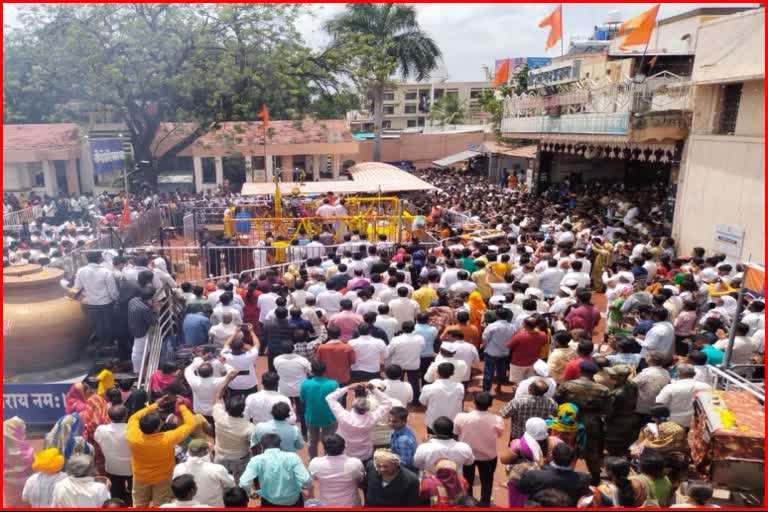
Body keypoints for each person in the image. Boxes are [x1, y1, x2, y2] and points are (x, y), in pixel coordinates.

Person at [126, 395, 196, 507]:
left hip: (140, 476)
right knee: (161, 505)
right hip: (163, 477)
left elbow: (133, 418)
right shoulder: (167, 438)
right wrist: (182, 406)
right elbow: (191, 424)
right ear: (157, 428)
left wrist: (155, 405)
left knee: (139, 504)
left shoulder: (133, 435)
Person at [554, 361, 611, 485]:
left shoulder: (566, 385)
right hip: (592, 424)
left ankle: (560, 479)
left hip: (568, 422)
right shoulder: (604, 390)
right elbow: (608, 410)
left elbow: (556, 401)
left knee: (564, 449)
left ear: (580, 370)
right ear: (595, 373)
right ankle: (595, 480)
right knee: (592, 454)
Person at [453, 392, 504, 506]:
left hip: (467, 455)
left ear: (474, 402)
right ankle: (485, 504)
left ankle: (468, 504)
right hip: (488, 456)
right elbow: (500, 435)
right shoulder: (497, 420)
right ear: (490, 404)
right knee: (487, 482)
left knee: (467, 482)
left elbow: (456, 432)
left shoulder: (461, 417)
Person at [502, 417, 564, 506]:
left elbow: (504, 460)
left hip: (524, 483)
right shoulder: (556, 442)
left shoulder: (518, 445)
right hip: (546, 483)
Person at [239, 433, 312, 507]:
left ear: (262, 446)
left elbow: (243, 482)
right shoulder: (293, 457)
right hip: (293, 501)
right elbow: (306, 480)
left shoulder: (256, 460)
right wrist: (302, 486)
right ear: (280, 444)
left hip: (269, 502)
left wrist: (250, 492)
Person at [325, 383, 392, 463]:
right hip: (366, 454)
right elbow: (387, 402)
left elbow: (330, 398)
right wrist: (373, 388)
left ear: (353, 406)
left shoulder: (344, 417)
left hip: (347, 454)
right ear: (368, 408)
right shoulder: (373, 418)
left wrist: (348, 387)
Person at [211, 371, 256, 482]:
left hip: (221, 456)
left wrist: (227, 379)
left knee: (221, 482)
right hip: (240, 458)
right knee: (241, 483)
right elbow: (253, 445)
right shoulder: (249, 427)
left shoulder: (219, 415)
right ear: (243, 410)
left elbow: (217, 396)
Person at [516, 443, 591, 507]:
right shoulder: (584, 479)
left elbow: (521, 488)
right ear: (573, 460)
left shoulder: (534, 475)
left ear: (552, 456)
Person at [74, 251, 119, 348]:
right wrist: (116, 299)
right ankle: (109, 343)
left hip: (91, 302)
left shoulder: (81, 271)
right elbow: (113, 291)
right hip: (106, 303)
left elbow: (77, 287)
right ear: (100, 259)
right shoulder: (106, 272)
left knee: (97, 323)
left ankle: (101, 343)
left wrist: (84, 298)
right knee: (108, 323)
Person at [172, 439, 235, 507]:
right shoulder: (217, 469)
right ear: (207, 451)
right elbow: (230, 484)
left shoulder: (178, 468)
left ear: (189, 452)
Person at [307, 434, 365, 508]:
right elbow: (361, 479)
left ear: (325, 448)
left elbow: (311, 480)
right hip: (351, 505)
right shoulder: (355, 463)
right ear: (344, 447)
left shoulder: (316, 463)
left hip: (326, 505)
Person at [300, 360, 340, 459]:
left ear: (312, 371)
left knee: (312, 441)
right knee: (329, 441)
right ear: (325, 370)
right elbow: (339, 399)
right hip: (329, 417)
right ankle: (327, 458)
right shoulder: (333, 384)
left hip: (311, 417)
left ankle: (312, 460)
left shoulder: (305, 383)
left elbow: (302, 399)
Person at [94, 405, 133, 505]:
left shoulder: (101, 430)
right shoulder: (132, 430)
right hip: (131, 468)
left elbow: (96, 439)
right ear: (125, 416)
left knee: (116, 493)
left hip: (112, 467)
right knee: (133, 493)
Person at [655, 363, 711, 428]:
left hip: (674, 423)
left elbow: (659, 403)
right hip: (696, 424)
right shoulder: (706, 387)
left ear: (678, 373)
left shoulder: (670, 387)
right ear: (694, 374)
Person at [578, 456, 648, 508]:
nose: (603, 468)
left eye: (605, 467)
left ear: (610, 472)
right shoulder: (639, 485)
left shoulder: (602, 489)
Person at [603, 366, 639, 457]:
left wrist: (604, 420)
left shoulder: (617, 394)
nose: (610, 375)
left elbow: (609, 412)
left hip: (617, 424)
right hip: (631, 419)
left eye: (612, 374)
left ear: (620, 377)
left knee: (614, 449)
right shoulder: (632, 384)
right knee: (625, 446)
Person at [420, 363, 465, 433]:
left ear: (437, 373)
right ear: (452, 373)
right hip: (453, 421)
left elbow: (423, 402)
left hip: (433, 422)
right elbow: (460, 400)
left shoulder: (428, 388)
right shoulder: (460, 387)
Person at [387, 321, 425, 403]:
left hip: (398, 365)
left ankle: (397, 398)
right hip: (413, 365)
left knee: (396, 382)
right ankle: (415, 400)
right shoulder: (420, 338)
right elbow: (422, 349)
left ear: (402, 329)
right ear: (413, 329)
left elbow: (389, 352)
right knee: (414, 383)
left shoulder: (396, 339)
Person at [481, 307, 515, 393]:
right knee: (502, 371)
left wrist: (486, 347)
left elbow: (485, 338)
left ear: (497, 315)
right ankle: (499, 387)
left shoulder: (492, 326)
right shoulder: (512, 327)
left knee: (489, 372)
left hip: (491, 352)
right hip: (505, 352)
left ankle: (486, 391)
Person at [507, 317, 548, 385]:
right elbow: (544, 343)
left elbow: (509, 345)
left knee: (517, 384)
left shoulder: (519, 336)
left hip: (518, 363)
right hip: (533, 363)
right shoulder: (543, 335)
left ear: (525, 325)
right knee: (529, 384)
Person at [128, 289, 158, 374]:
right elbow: (153, 321)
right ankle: (138, 371)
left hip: (133, 329)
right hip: (142, 332)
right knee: (139, 352)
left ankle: (138, 369)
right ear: (150, 298)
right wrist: (155, 310)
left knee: (137, 350)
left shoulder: (133, 301)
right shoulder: (145, 309)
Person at [388, 406, 418, 471]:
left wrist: (387, 461)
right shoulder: (403, 428)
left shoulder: (403, 440)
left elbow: (405, 462)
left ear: (404, 422)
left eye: (394, 421)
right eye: (389, 420)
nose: (390, 423)